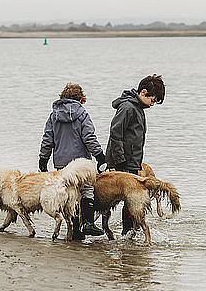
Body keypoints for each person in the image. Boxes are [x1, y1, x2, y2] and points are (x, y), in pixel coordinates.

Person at [39, 83, 106, 240]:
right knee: (86, 190)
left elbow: (47, 140)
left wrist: (43, 159)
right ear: (81, 98)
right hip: (80, 163)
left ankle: (76, 230)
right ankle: (88, 223)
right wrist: (100, 156)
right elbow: (89, 138)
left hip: (62, 163)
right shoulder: (83, 115)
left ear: (62, 96)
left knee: (71, 195)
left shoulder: (53, 116)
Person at [105, 74, 165, 235]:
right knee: (130, 199)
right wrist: (119, 161)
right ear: (143, 92)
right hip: (122, 161)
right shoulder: (128, 108)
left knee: (130, 199)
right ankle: (127, 232)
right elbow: (115, 133)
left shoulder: (138, 108)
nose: (153, 105)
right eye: (153, 100)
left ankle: (130, 231)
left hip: (132, 161)